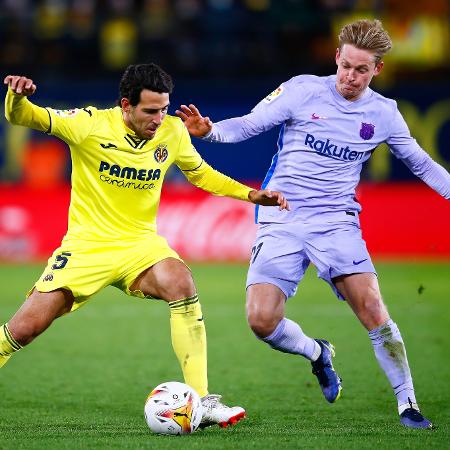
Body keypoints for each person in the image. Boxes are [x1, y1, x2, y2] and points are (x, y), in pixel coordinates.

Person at [175, 19, 450, 429]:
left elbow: (422, 165)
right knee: (261, 320)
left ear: (378, 70)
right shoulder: (303, 89)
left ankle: (407, 404)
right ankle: (317, 353)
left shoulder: (384, 114)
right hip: (282, 214)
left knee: (372, 307)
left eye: (362, 70)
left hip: (336, 221)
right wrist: (210, 131)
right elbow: (250, 124)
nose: (350, 77)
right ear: (337, 56)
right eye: (346, 66)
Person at [1, 64, 289, 429]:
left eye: (164, 109)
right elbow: (22, 116)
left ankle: (199, 402)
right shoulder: (88, 124)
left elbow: (200, 173)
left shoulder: (171, 132)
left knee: (182, 282)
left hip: (141, 245)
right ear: (126, 105)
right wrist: (17, 96)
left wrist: (250, 194)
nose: (159, 119)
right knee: (23, 330)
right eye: (150, 111)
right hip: (88, 247)